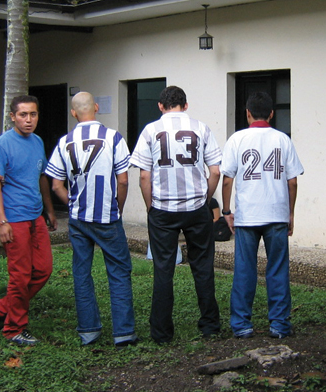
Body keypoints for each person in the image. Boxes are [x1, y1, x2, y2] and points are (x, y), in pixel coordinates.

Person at [45, 92, 138, 347]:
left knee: (81, 272)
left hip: (78, 217)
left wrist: (73, 204)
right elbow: (123, 180)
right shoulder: (113, 137)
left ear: (73, 113)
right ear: (96, 108)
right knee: (119, 271)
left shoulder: (64, 141)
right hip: (107, 216)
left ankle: (89, 331)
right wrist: (118, 208)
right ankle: (124, 333)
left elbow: (56, 185)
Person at [130, 85, 221, 344]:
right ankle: (210, 325)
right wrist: (206, 200)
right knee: (203, 266)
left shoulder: (150, 130)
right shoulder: (201, 128)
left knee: (163, 269)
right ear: (186, 105)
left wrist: (150, 206)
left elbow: (144, 176)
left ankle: (161, 333)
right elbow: (215, 171)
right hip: (196, 207)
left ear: (160, 106)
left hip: (163, 209)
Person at [221, 91, 304, 339]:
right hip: (277, 214)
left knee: (244, 270)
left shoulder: (236, 139)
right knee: (277, 269)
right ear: (271, 114)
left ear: (247, 113)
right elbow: (292, 182)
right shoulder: (283, 140)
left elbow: (227, 179)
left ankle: (241, 325)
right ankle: (279, 324)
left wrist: (227, 211)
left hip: (247, 215)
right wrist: (290, 213)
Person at [0, 95, 57, 346]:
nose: (28, 120)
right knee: (20, 276)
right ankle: (13, 329)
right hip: (14, 219)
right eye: (23, 115)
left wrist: (49, 210)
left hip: (36, 216)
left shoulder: (37, 141)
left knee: (44, 269)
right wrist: (2, 221)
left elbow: (41, 177)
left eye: (33, 114)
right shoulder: (1, 145)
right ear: (13, 117)